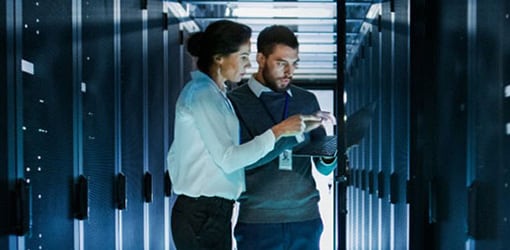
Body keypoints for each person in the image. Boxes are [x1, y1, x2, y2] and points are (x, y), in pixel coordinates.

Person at [166, 20, 321, 250]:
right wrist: (280, 131)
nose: (248, 64)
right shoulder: (203, 95)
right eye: (243, 57)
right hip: (202, 213)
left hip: (213, 211)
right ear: (220, 58)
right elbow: (230, 159)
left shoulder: (218, 96)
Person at [228, 25, 338, 250]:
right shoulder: (234, 102)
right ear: (260, 58)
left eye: (294, 64)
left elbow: (323, 168)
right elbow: (243, 161)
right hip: (258, 221)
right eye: (281, 63)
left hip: (306, 219)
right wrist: (293, 136)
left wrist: (335, 147)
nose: (289, 72)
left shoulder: (306, 100)